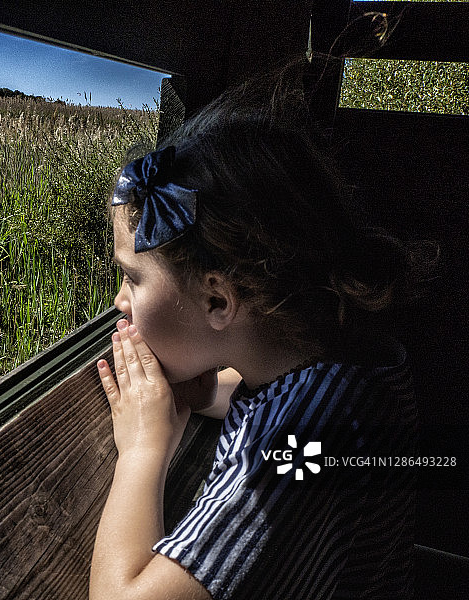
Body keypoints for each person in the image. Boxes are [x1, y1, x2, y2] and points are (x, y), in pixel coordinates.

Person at [89, 82, 428, 600]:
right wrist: (205, 395)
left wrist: (141, 450)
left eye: (134, 279)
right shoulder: (355, 365)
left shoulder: (290, 449)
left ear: (219, 301)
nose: (120, 301)